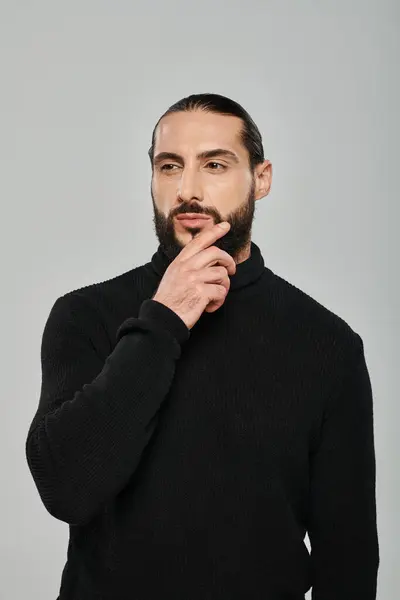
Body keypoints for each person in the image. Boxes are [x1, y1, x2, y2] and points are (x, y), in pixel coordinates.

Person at [25, 93, 380, 599]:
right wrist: (164, 319)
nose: (187, 189)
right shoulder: (85, 315)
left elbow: (347, 558)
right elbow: (65, 488)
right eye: (170, 167)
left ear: (261, 179)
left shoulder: (329, 344)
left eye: (215, 164)